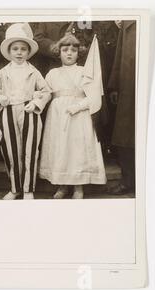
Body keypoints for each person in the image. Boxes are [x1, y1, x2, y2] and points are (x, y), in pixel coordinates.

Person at [0, 23, 51, 200]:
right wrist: (0, 99)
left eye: (23, 49)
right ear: (9, 51)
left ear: (28, 52)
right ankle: (15, 188)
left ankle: (28, 189)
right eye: (15, 48)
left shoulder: (33, 71)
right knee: (11, 150)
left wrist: (36, 102)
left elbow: (46, 92)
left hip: (29, 111)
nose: (19, 52)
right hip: (8, 112)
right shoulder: (3, 72)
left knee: (30, 149)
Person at [39, 34, 107, 199]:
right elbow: (44, 93)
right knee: (61, 148)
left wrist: (78, 106)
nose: (69, 53)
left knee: (77, 149)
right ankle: (62, 186)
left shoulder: (84, 72)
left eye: (73, 50)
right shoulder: (52, 73)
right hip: (57, 115)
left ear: (79, 53)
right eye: (65, 50)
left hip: (79, 116)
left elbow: (94, 96)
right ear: (59, 52)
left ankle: (78, 187)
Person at [107, 21, 136, 195]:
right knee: (125, 135)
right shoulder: (128, 23)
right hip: (129, 84)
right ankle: (128, 181)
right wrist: (115, 85)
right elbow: (120, 55)